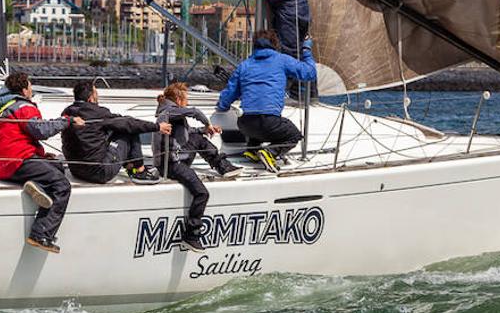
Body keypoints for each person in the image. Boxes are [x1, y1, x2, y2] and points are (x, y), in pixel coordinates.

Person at [0, 71, 83, 253]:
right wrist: (67, 121)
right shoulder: (23, 107)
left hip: (3, 165)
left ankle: (36, 185)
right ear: (24, 90)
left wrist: (41, 155)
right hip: (16, 162)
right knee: (63, 185)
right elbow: (40, 130)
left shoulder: (5, 108)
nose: (31, 90)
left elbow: (17, 137)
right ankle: (41, 234)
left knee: (56, 167)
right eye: (30, 86)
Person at [153, 82, 242, 252]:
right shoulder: (169, 111)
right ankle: (191, 235)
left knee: (199, 139)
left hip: (175, 159)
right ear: (179, 100)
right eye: (185, 99)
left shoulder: (172, 112)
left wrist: (205, 129)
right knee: (202, 193)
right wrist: (208, 124)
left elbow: (189, 132)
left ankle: (223, 166)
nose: (186, 102)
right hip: (172, 164)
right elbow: (195, 112)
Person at [216, 29, 318, 172]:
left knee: (258, 125)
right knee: (294, 135)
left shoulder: (244, 65)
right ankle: (270, 152)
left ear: (255, 45)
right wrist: (306, 48)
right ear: (275, 44)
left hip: (245, 124)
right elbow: (309, 73)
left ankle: (252, 150)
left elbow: (230, 93)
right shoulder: (282, 60)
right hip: (268, 123)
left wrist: (221, 108)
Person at [60, 80, 165, 184]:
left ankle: (130, 166)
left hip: (76, 171)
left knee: (121, 127)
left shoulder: (66, 112)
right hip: (100, 172)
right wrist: (157, 127)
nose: (97, 97)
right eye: (96, 94)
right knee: (129, 129)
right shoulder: (98, 112)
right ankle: (140, 171)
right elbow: (128, 123)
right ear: (91, 98)